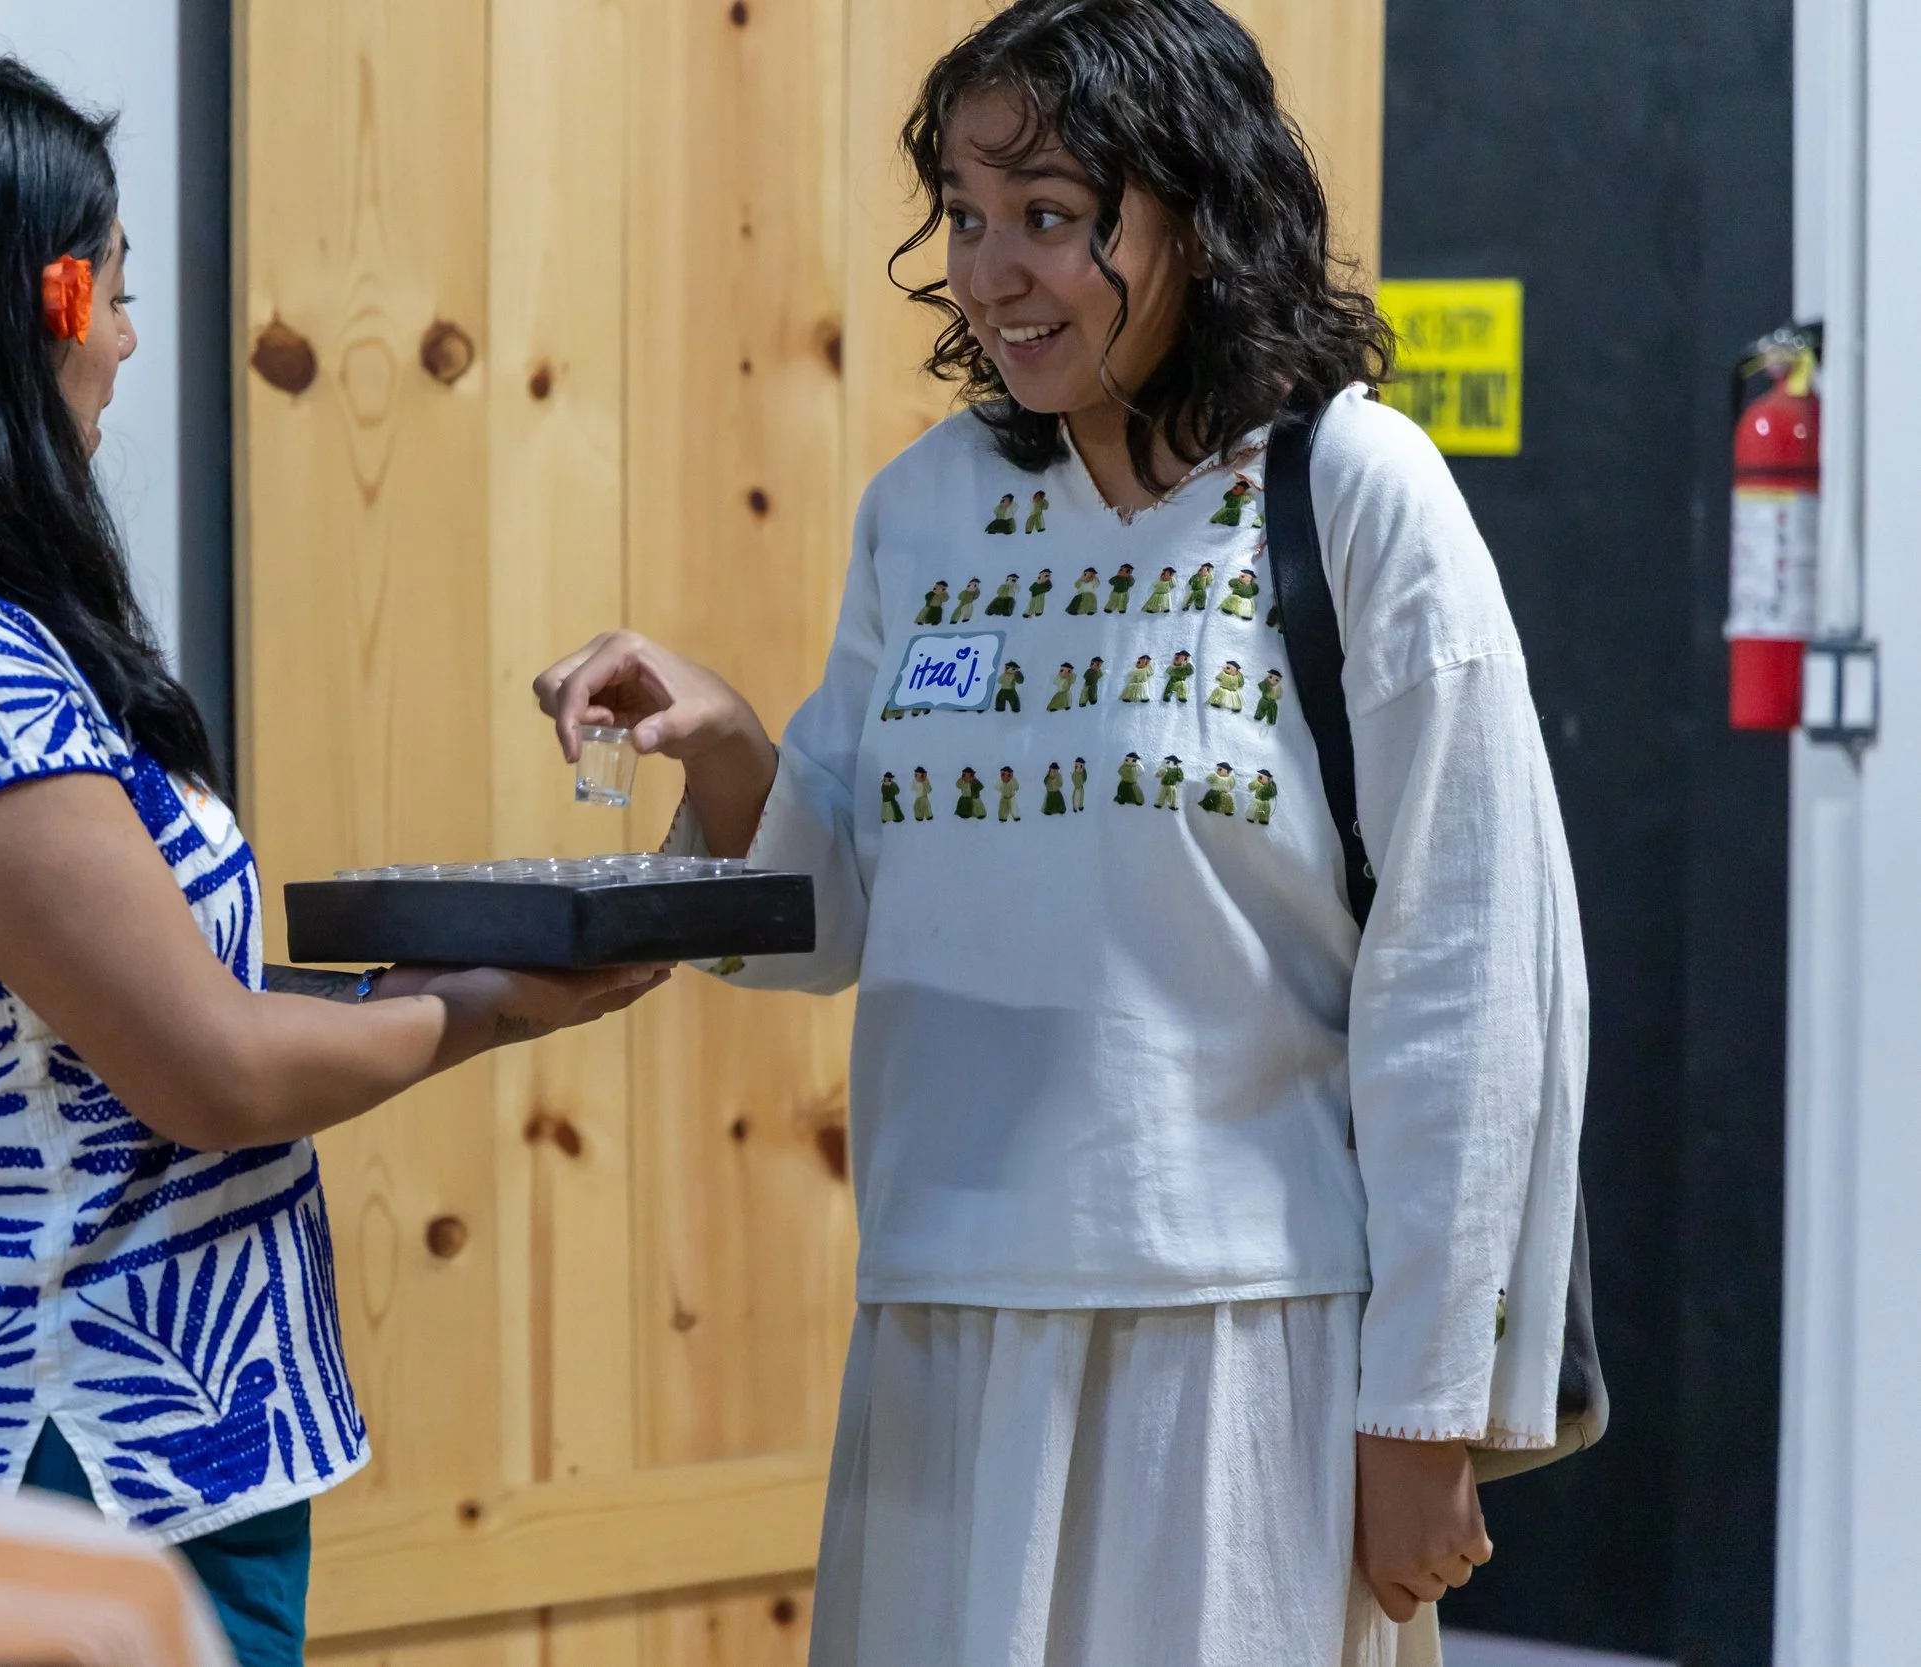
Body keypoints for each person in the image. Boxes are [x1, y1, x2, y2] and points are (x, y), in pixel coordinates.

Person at [531, 3, 1584, 1662]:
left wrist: (1428, 1406)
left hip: (1245, 1339)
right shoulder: (926, 509)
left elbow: (1464, 981)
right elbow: (833, 913)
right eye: (963, 213)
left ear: (1198, 212)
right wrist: (732, 741)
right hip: (944, 1322)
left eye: (1050, 214)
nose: (990, 270)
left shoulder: (1354, 494)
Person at [0, 52, 663, 1667]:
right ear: (15, 312)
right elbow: (206, 1067)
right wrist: (492, 1001)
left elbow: (95, 1024)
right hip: (51, 1441)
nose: (126, 340)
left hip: (108, 1438)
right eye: (109, 288)